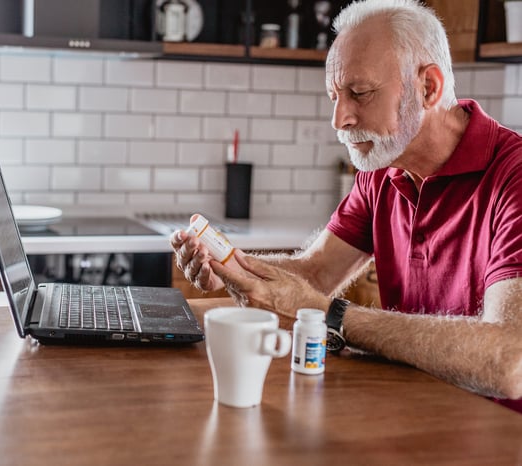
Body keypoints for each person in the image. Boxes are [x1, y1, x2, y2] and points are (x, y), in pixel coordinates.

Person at [170, 0, 522, 413]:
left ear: (429, 88)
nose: (339, 119)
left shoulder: (511, 176)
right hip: (415, 414)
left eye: (360, 93)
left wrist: (332, 315)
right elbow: (317, 271)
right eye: (334, 96)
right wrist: (233, 268)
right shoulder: (382, 169)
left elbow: (510, 361)